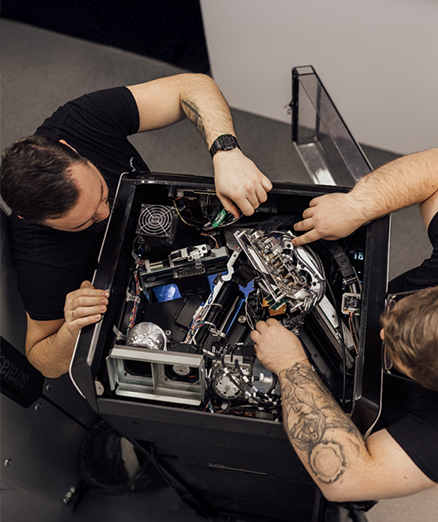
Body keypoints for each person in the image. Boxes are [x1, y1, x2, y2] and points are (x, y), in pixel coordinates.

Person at [0, 73, 272, 379]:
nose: (106, 212)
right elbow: (42, 359)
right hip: (152, 303)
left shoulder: (78, 122)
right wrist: (71, 327)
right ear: (34, 220)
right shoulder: (38, 256)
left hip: (190, 228)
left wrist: (226, 152)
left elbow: (193, 86)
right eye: (86, 222)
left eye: (102, 192)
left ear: (70, 150)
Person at [251, 148, 438, 503]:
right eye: (396, 311)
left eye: (393, 353)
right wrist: (357, 205)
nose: (380, 332)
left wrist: (291, 366)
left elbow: (347, 479)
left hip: (365, 418)